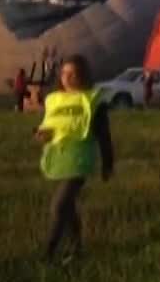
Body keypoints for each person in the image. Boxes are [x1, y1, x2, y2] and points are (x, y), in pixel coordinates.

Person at [33, 54, 114, 259]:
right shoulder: (55, 100)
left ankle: (48, 253)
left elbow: (104, 136)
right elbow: (51, 126)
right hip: (60, 158)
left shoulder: (93, 102)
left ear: (82, 76)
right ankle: (77, 249)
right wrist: (42, 134)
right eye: (64, 73)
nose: (66, 78)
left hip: (80, 159)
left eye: (72, 73)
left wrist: (107, 164)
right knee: (68, 208)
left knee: (59, 205)